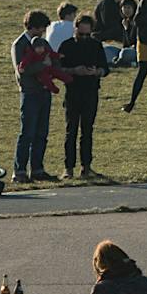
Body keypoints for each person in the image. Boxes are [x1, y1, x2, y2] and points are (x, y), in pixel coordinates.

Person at [56, 13, 109, 179]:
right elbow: (58, 69)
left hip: (91, 91)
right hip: (73, 91)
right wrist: (74, 71)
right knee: (71, 130)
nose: (85, 37)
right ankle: (68, 167)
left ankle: (86, 166)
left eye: (88, 34)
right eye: (81, 34)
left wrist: (96, 72)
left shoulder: (96, 45)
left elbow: (105, 69)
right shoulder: (66, 46)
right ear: (75, 29)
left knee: (87, 130)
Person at [12, 9, 59, 184]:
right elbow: (22, 71)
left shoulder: (42, 42)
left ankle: (37, 169)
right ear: (34, 27)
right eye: (41, 29)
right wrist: (42, 65)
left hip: (43, 91)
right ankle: (20, 170)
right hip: (30, 92)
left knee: (41, 132)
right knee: (27, 132)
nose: (43, 33)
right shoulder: (20, 44)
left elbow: (53, 61)